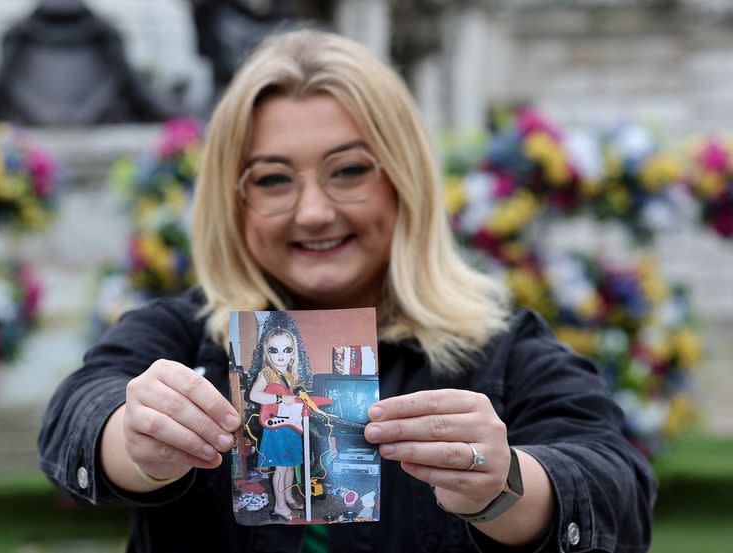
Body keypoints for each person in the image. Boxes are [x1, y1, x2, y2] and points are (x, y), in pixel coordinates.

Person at [38, 28, 656, 552]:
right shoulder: (183, 337)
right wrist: (139, 438)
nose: (313, 212)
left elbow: (617, 493)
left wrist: (506, 485)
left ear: (403, 182)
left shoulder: (502, 352)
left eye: (350, 171)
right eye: (274, 179)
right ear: (235, 203)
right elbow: (75, 420)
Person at [247, 322, 312, 520]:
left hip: (290, 426)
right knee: (281, 468)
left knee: (291, 464)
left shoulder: (292, 377)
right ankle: (280, 506)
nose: (280, 355)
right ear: (268, 353)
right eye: (274, 350)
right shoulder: (268, 373)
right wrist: (280, 399)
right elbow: (254, 395)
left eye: (286, 349)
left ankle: (288, 496)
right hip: (276, 428)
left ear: (293, 353)